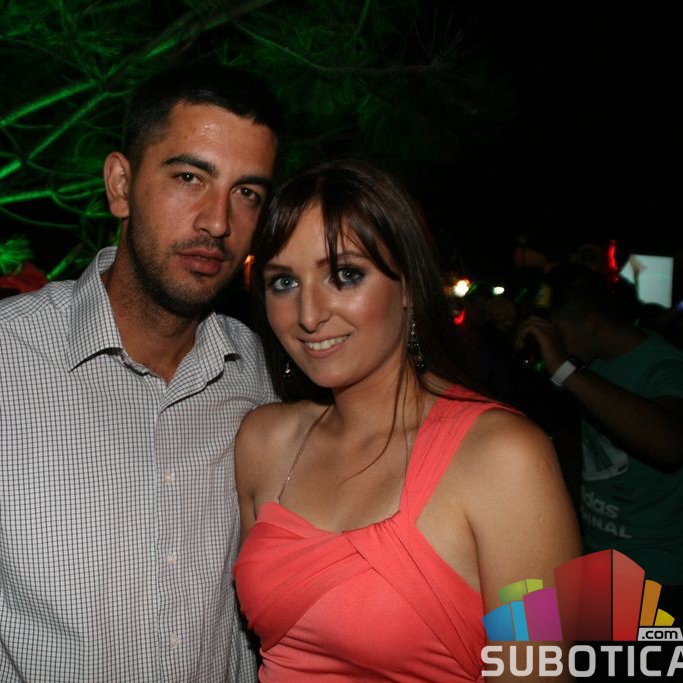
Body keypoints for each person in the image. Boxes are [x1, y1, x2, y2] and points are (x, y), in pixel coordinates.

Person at [0, 64, 282, 681]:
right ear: (120, 185)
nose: (218, 221)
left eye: (247, 192)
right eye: (188, 177)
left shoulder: (256, 372)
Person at [233, 160, 580, 681]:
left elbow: (540, 669)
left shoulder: (505, 459)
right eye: (283, 282)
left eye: (345, 275)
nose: (308, 314)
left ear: (410, 287)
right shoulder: (264, 441)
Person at [515, 265, 683, 623]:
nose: (556, 345)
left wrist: (565, 370)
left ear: (592, 323)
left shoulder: (666, 366)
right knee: (528, 632)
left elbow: (671, 444)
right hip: (600, 559)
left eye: (559, 333)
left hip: (655, 570)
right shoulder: (593, 362)